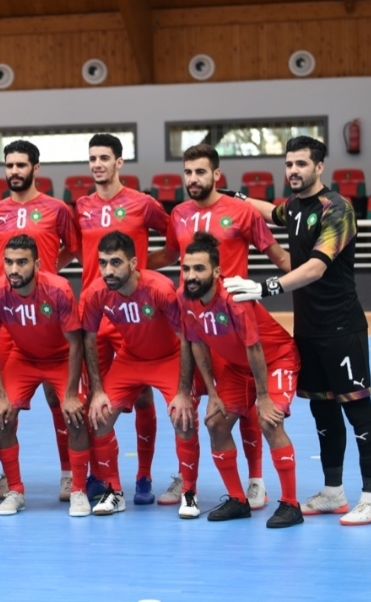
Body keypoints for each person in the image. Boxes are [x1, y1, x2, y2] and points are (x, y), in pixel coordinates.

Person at [224, 136, 371, 525]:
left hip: (342, 328)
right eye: (288, 164)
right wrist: (235, 198)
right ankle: (333, 492)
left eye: (301, 164)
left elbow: (316, 266)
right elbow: (272, 211)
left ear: (319, 167)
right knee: (322, 410)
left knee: (357, 410)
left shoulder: (338, 209)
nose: (293, 170)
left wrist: (267, 288)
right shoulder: (295, 207)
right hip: (309, 331)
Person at [149, 143, 291, 510]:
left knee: (249, 407)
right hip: (196, 323)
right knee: (201, 403)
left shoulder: (241, 212)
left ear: (217, 175)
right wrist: (125, 267)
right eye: (188, 172)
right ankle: (188, 478)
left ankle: (255, 480)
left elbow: (278, 257)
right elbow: (168, 256)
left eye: (201, 172)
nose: (193, 179)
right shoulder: (177, 214)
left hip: (236, 322)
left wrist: (320, 269)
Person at [174, 233, 303, 529]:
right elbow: (196, 343)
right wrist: (213, 392)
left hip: (274, 360)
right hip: (235, 367)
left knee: (268, 420)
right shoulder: (184, 298)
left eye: (199, 269)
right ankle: (237, 499)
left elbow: (254, 348)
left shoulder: (233, 298)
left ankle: (291, 504)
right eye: (186, 269)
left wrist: (264, 397)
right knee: (215, 422)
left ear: (217, 272)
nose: (191, 276)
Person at [75, 133, 170, 506]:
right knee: (96, 402)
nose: (97, 164)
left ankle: (143, 475)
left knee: (143, 396)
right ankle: (103, 478)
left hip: (135, 316)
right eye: (92, 158)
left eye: (104, 158)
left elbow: (174, 243)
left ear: (119, 162)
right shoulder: (80, 205)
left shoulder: (143, 204)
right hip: (95, 315)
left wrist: (144, 268)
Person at [79, 231, 201, 519]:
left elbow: (186, 338)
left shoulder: (160, 288)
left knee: (184, 419)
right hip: (130, 359)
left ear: (133, 263)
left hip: (168, 358)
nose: (108, 270)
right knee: (99, 415)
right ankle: (114, 491)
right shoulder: (96, 293)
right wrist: (96, 390)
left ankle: (189, 492)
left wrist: (184, 391)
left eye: (116, 262)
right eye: (103, 262)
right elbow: (88, 338)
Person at [0, 139, 79, 501]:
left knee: (61, 400)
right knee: (4, 401)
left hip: (48, 316)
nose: (14, 171)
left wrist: (48, 274)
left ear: (36, 169)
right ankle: (8, 479)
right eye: (9, 165)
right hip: (8, 319)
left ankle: (69, 474)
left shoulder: (57, 209)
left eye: (21, 165)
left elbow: (73, 247)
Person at [0, 235, 88, 516]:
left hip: (62, 357)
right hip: (24, 358)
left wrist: (71, 393)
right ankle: (15, 490)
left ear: (37, 264)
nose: (14, 269)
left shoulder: (59, 289)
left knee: (75, 415)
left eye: (22, 262)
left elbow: (76, 343)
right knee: (2, 416)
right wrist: (1, 395)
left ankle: (78, 489)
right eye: (9, 262)